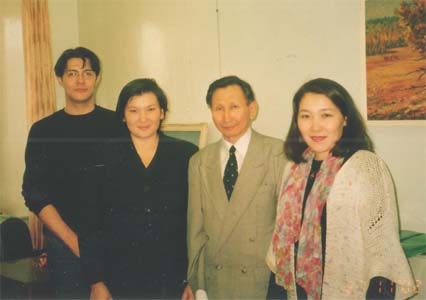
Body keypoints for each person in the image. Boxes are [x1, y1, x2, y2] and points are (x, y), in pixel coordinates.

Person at [266, 78, 417, 300]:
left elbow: (381, 250)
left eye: (326, 115)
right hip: (298, 291)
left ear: (345, 119)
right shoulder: (294, 168)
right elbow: (284, 245)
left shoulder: (365, 167)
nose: (315, 126)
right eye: (306, 116)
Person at [80, 78, 198, 300]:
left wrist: (192, 278)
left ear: (162, 112)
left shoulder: (186, 155)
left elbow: (195, 223)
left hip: (172, 278)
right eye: (134, 110)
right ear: (123, 116)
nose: (143, 118)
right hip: (118, 279)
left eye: (151, 109)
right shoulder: (101, 157)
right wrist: (96, 281)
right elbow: (89, 223)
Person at [22, 47, 121, 298]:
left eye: (88, 73)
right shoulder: (44, 131)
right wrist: (76, 243)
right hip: (65, 248)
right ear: (60, 79)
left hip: (113, 245)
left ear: (97, 78)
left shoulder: (117, 125)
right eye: (72, 73)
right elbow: (34, 193)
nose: (80, 80)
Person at [183, 75, 287, 300]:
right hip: (215, 282)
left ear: (252, 109)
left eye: (234, 107)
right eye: (218, 108)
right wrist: (198, 284)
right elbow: (196, 232)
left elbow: (286, 228)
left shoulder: (279, 153)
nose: (226, 117)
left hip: (263, 282)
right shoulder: (199, 161)